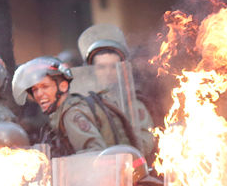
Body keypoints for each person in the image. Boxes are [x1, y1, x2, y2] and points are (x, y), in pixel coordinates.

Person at [12, 56, 137, 156]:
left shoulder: (71, 114)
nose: (39, 94)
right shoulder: (68, 108)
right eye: (35, 90)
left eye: (45, 87)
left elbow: (94, 153)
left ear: (63, 86)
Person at [77, 24, 157, 161]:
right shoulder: (82, 104)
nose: (108, 73)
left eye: (113, 67)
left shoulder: (133, 103)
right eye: (101, 67)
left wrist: (128, 154)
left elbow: (147, 138)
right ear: (92, 70)